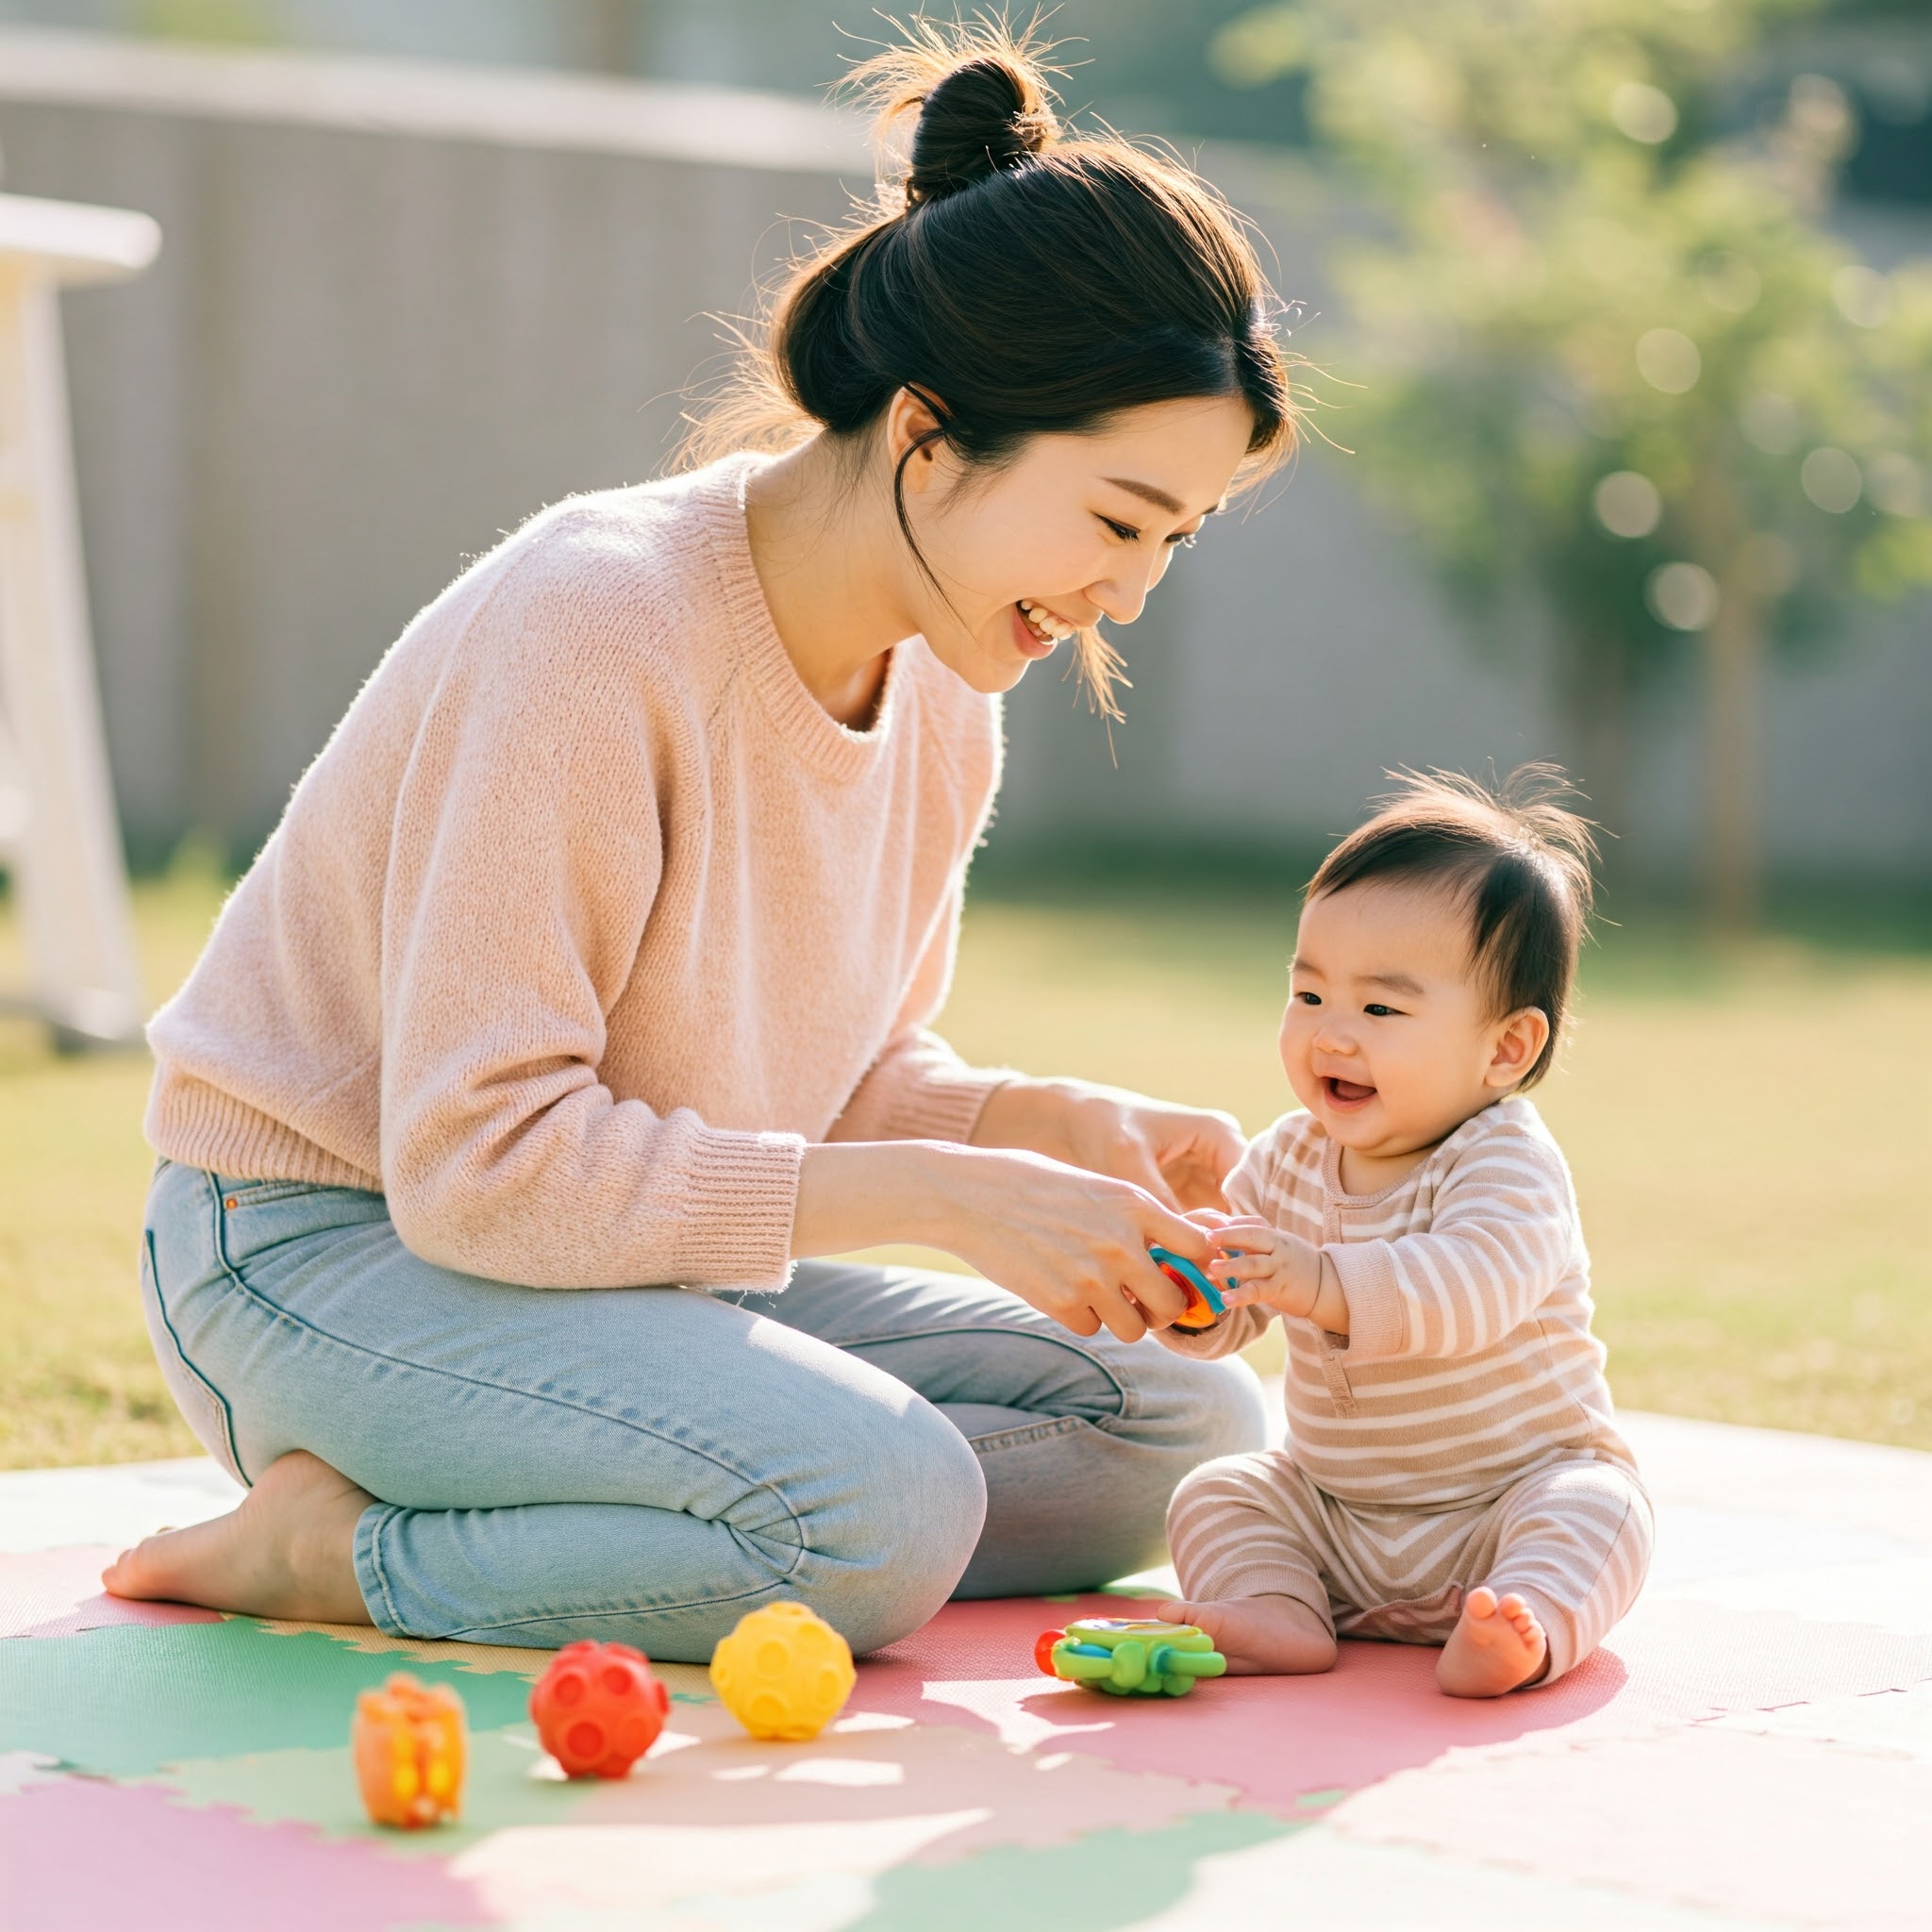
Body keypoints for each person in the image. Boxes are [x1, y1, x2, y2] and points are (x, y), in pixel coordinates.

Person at [104, 25, 1296, 1658]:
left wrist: (1040, 1126)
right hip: (321, 1250)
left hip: (614, 1271)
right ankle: (339, 1546)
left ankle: (707, 1495)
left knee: (1184, 1429)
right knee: (878, 1516)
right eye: (1114, 518)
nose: (1130, 590)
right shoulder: (599, 623)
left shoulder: (948, 674)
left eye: (1175, 537)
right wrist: (946, 1196)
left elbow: (809, 1079)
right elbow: (482, 1166)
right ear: (929, 433)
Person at [1158, 768, 1652, 1695]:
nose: (1330, 1034)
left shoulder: (1504, 1161)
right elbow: (1238, 1308)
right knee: (1218, 1491)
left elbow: (1468, 1286)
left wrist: (1314, 1278)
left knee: (1600, 1507)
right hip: (1338, 1515)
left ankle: (1524, 1623)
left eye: (1379, 1008)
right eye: (1307, 996)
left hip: (1501, 1503)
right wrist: (1191, 1293)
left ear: (1505, 1047)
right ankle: (1280, 1608)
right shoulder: (1283, 1158)